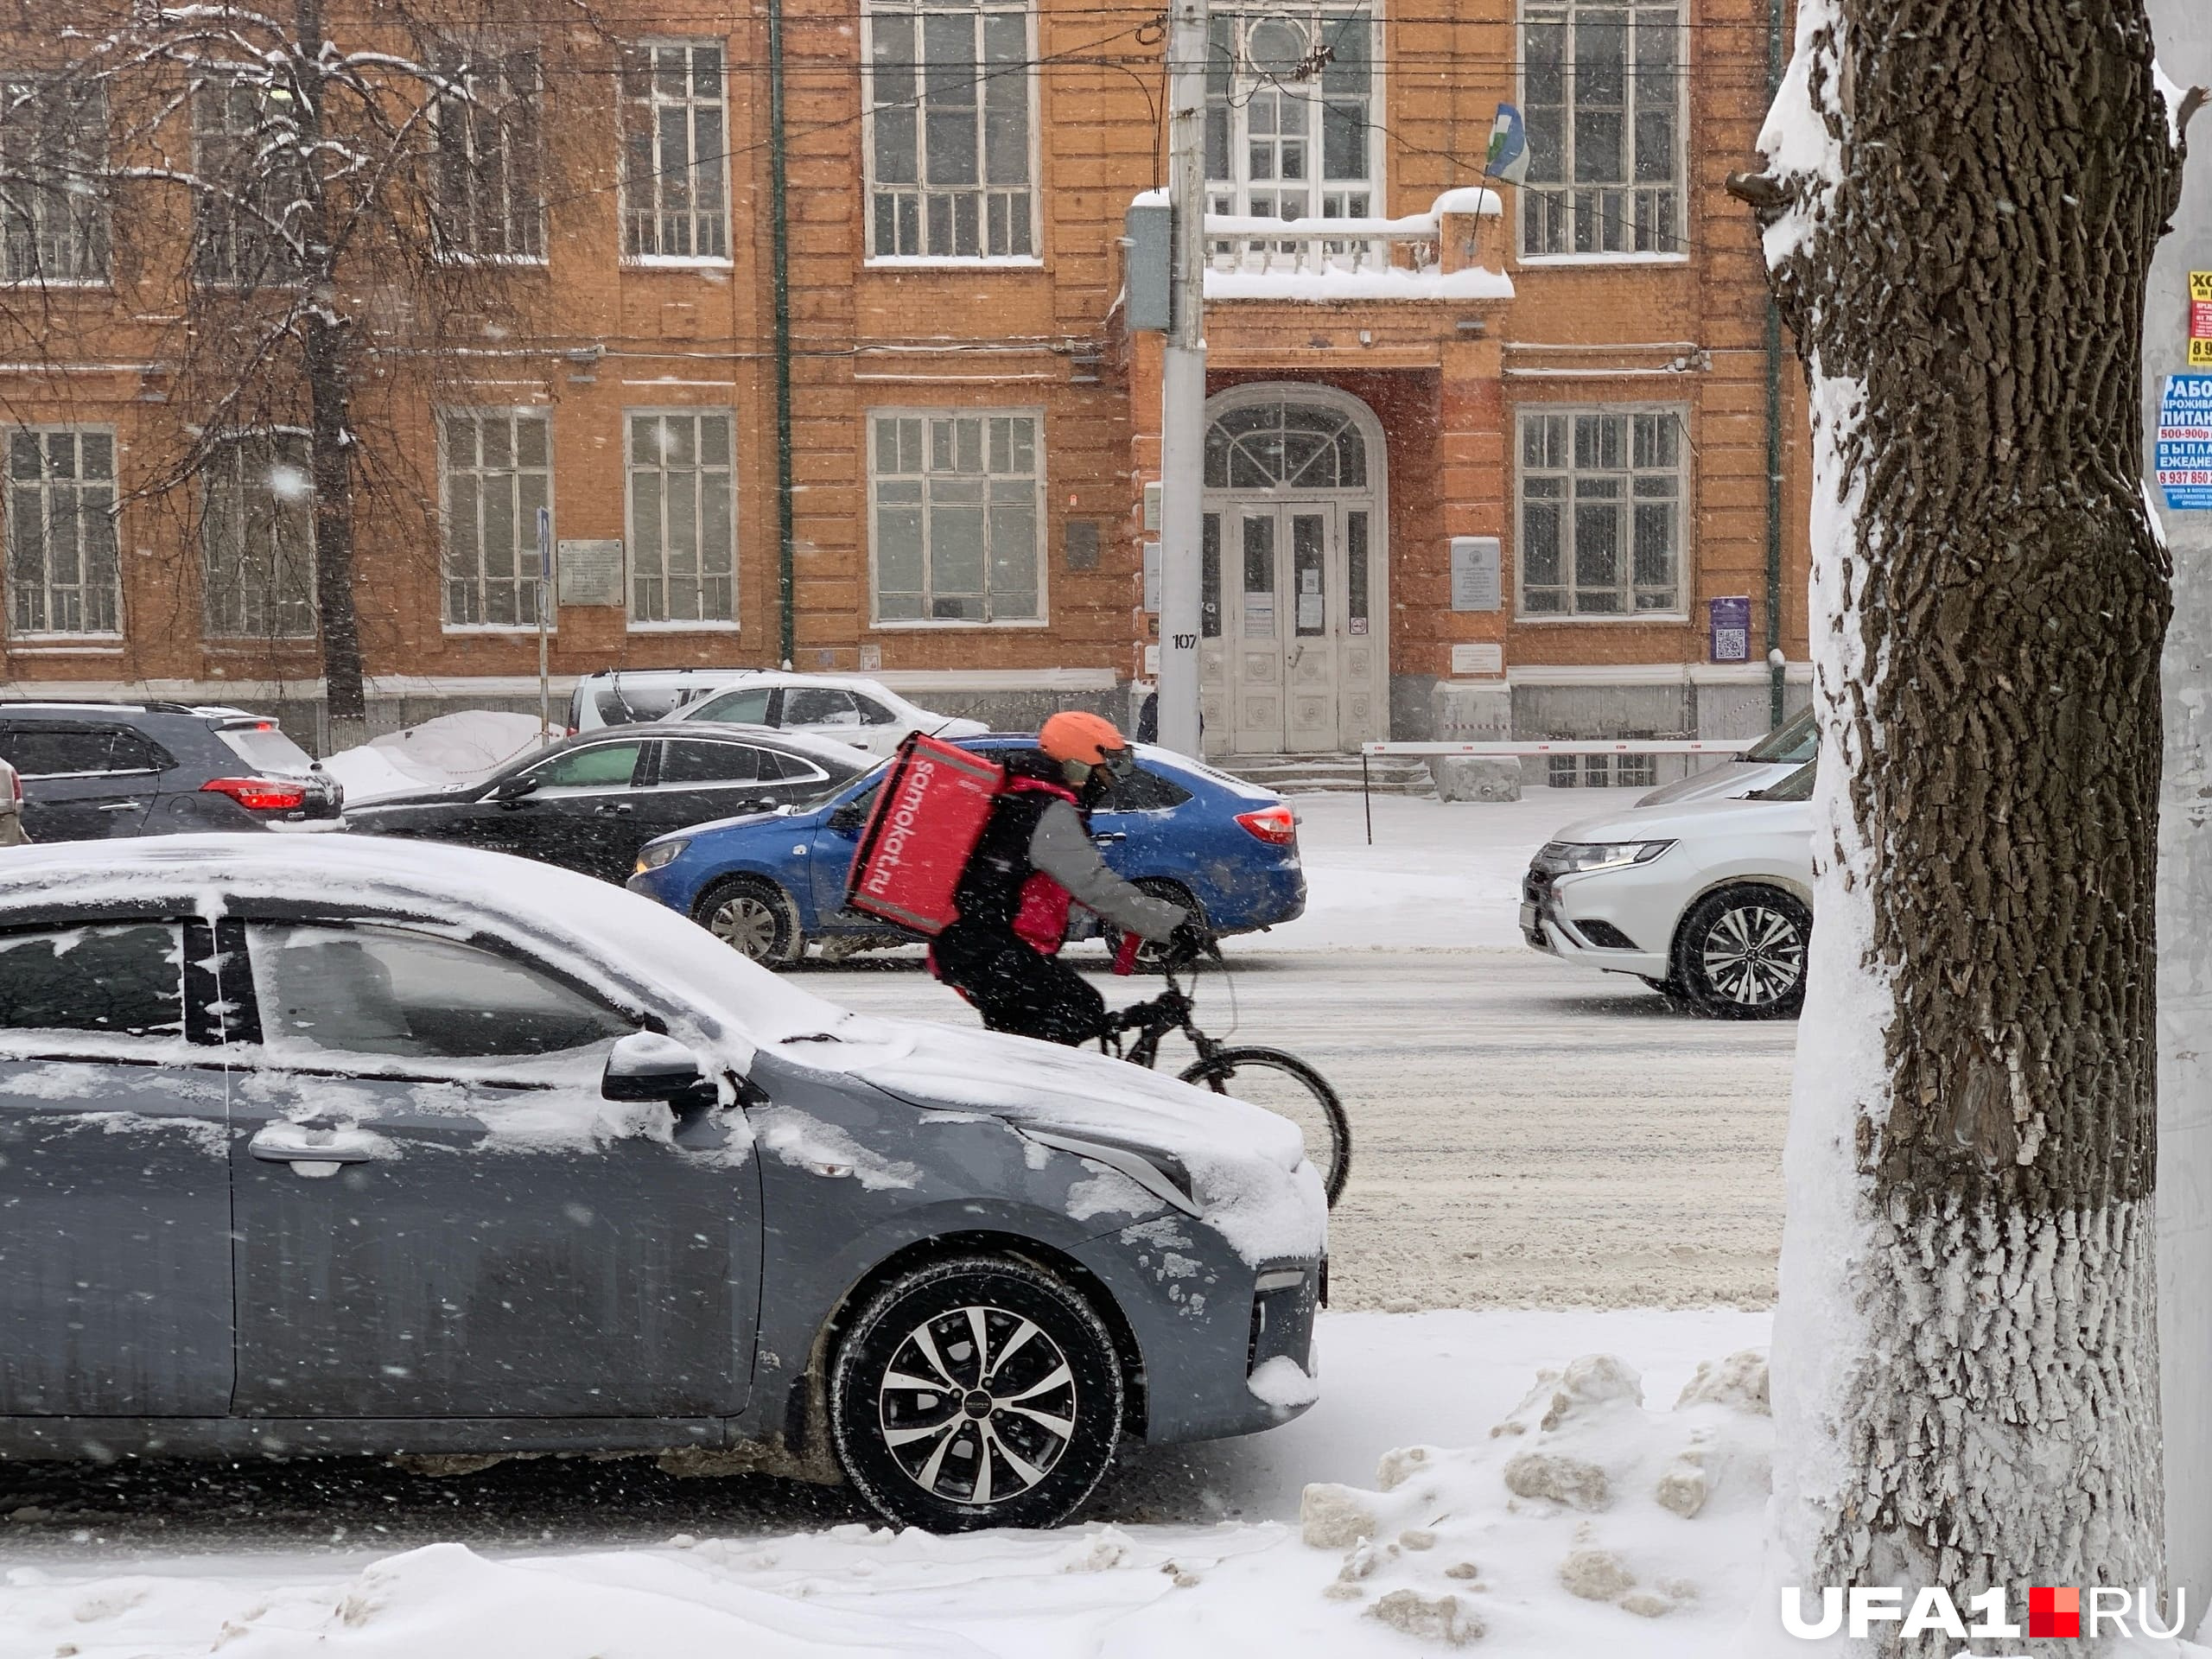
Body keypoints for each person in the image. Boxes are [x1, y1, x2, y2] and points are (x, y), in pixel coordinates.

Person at [929, 711, 1213, 1046]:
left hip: (981, 948)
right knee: (1077, 1011)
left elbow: (1078, 888)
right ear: (1079, 765)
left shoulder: (1031, 798)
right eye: (1106, 770)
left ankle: (1029, 1089)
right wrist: (1172, 924)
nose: (1110, 783)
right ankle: (1025, 1095)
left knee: (1055, 1027)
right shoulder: (1045, 809)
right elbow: (1095, 886)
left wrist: (1141, 924)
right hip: (987, 950)